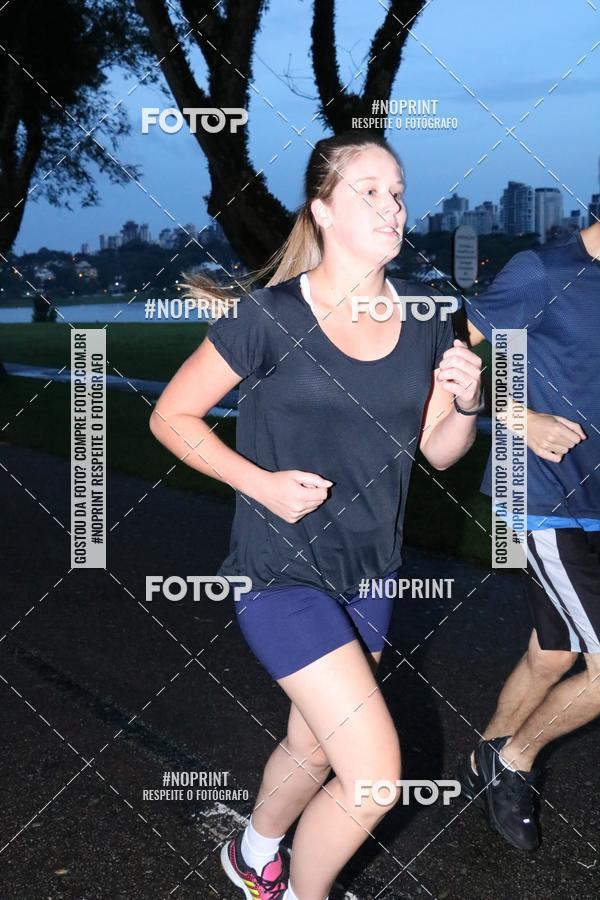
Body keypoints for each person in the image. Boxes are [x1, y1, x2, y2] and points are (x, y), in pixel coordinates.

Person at [150, 130, 483, 900]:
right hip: (280, 573)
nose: (392, 205)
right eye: (369, 190)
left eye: (398, 191)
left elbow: (439, 450)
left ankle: (254, 852)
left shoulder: (432, 317)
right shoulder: (270, 317)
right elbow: (172, 417)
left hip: (369, 575)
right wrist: (259, 484)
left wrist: (468, 401)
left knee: (313, 746)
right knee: (375, 779)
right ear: (323, 210)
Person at [458, 219, 600, 852]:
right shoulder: (540, 270)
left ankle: (481, 762)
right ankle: (515, 761)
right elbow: (449, 358)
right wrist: (520, 416)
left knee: (554, 651)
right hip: (542, 495)